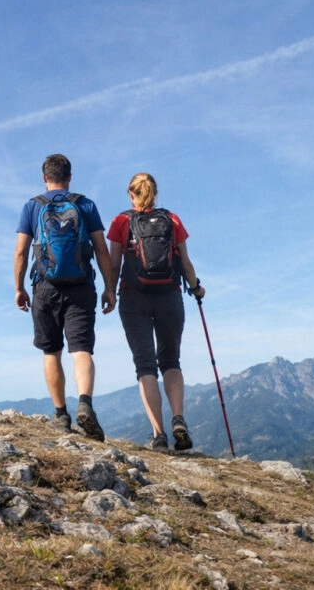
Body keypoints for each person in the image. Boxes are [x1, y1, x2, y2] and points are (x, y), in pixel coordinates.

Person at [15, 154, 116, 441]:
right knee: (81, 349)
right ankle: (85, 402)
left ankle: (61, 415)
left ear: (44, 178)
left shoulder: (32, 206)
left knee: (52, 352)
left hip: (45, 287)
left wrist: (19, 288)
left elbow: (21, 251)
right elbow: (100, 248)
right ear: (70, 177)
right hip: (81, 285)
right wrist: (110, 287)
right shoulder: (85, 204)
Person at [106, 172, 205, 452]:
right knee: (171, 360)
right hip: (170, 297)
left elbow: (114, 264)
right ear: (156, 192)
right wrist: (197, 288)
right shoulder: (172, 220)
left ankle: (159, 435)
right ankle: (178, 419)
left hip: (133, 298)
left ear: (130, 193)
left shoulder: (121, 222)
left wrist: (110, 292)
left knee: (145, 366)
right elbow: (185, 263)